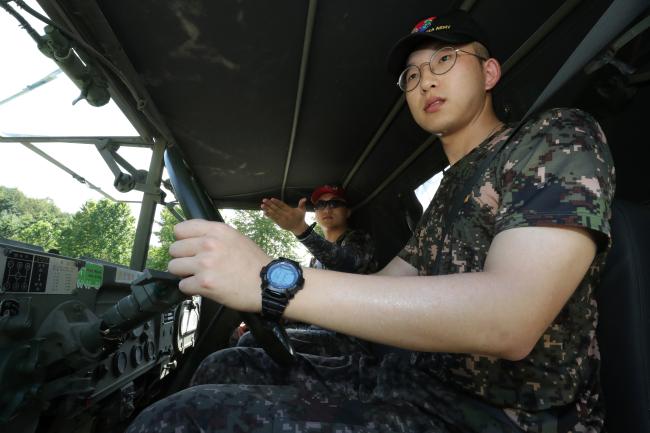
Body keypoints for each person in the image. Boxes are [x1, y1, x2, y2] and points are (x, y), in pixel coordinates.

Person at [127, 9, 615, 433]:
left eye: (444, 59)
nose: (425, 80)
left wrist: (273, 283)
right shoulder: (451, 188)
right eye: (411, 75)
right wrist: (270, 304)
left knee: (179, 421)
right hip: (409, 381)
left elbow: (511, 319)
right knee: (227, 366)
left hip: (496, 416)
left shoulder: (554, 137)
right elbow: (389, 281)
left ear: (489, 72)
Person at [236, 185, 377, 355]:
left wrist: (300, 229)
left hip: (350, 337)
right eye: (320, 205)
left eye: (335, 203)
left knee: (250, 341)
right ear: (316, 214)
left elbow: (346, 262)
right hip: (319, 327)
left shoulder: (358, 239)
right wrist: (271, 318)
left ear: (348, 212)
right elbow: (311, 301)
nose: (327, 208)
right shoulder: (316, 260)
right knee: (251, 334)